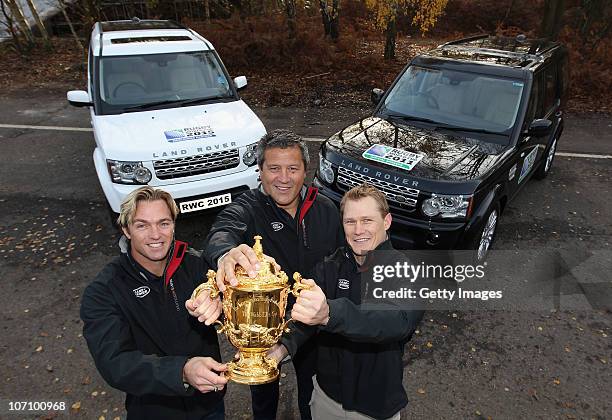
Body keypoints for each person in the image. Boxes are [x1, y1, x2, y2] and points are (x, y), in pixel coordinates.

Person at [189, 129, 344, 420]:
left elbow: (342, 262)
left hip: (312, 324)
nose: (283, 178)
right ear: (260, 171)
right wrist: (226, 254)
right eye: (274, 168)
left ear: (305, 171)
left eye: (292, 168)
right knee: (263, 400)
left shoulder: (325, 209)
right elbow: (222, 232)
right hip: (259, 329)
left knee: (312, 396)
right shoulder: (247, 208)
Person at [271, 183, 424, 419]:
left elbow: (398, 320)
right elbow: (305, 316)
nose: (358, 230)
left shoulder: (406, 271)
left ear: (387, 222)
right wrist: (280, 347)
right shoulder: (330, 266)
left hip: (376, 408)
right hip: (325, 398)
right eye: (350, 222)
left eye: (367, 220)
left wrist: (331, 313)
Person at [80, 187, 227, 420]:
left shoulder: (197, 266)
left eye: (164, 223)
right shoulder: (104, 291)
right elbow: (115, 363)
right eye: (142, 225)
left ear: (174, 225)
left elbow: (235, 310)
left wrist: (220, 300)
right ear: (126, 230)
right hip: (154, 412)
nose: (155, 234)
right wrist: (182, 371)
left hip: (210, 404)